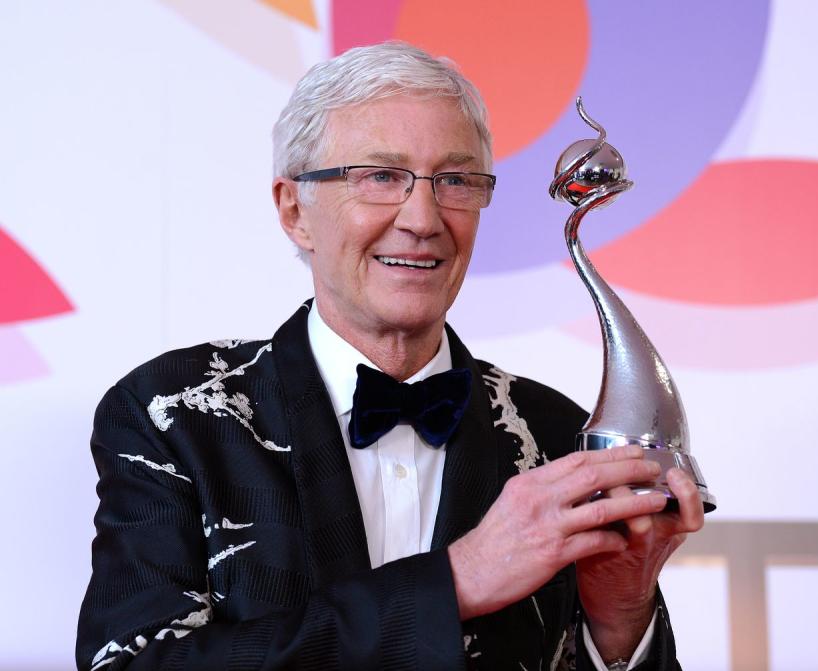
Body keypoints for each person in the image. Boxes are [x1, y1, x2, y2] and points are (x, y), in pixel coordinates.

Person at [77, 42, 704, 670]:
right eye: (381, 177)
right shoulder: (174, 413)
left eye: (455, 180)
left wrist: (620, 616)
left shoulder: (557, 434)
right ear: (295, 210)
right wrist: (455, 581)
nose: (423, 219)